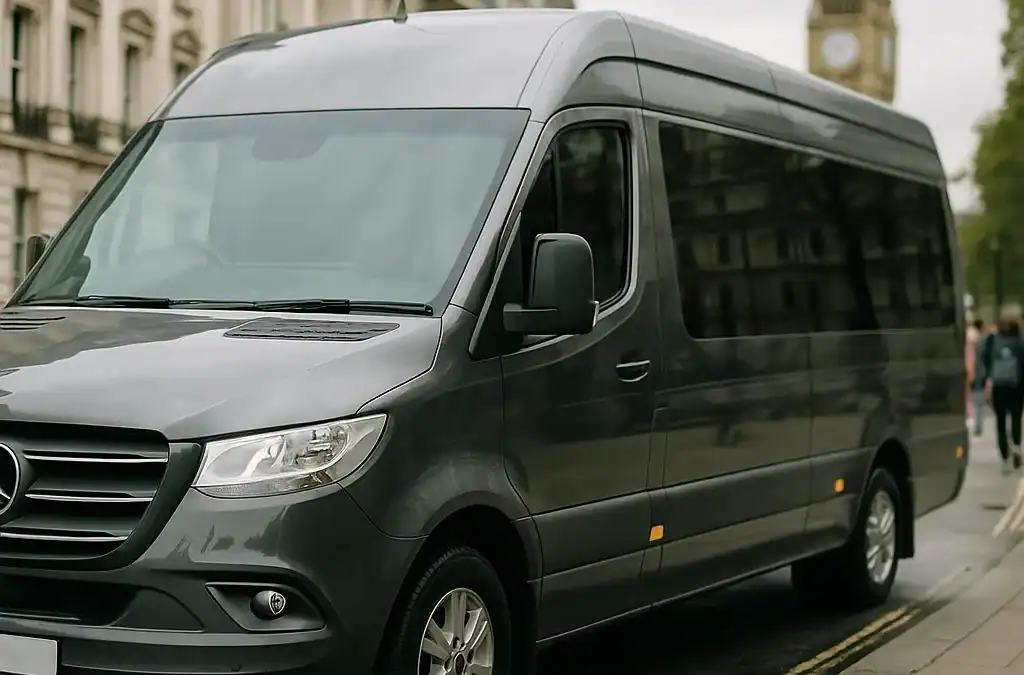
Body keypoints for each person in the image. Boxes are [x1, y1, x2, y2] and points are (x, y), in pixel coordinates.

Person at [980, 313, 1024, 474]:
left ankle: (1004, 455)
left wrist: (985, 380)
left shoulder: (992, 341)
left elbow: (984, 360)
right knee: (1016, 418)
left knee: (1000, 421)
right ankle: (1017, 446)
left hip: (998, 386)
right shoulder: (1020, 342)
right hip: (1017, 386)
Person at [967, 318, 987, 436]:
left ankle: (977, 423)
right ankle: (977, 423)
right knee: (977, 400)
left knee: (975, 400)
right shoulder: (978, 338)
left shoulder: (970, 337)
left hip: (974, 371)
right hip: (978, 371)